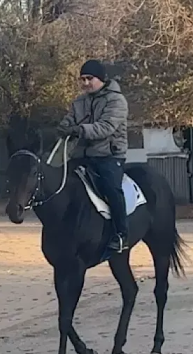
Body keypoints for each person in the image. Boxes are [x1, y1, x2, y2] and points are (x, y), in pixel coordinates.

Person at [56, 59, 130, 253]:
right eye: (82, 79)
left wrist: (78, 130)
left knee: (112, 189)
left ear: (101, 79)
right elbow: (69, 120)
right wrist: (63, 127)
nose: (86, 83)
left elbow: (105, 127)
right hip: (82, 155)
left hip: (109, 156)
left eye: (90, 78)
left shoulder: (116, 101)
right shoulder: (79, 102)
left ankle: (121, 234)